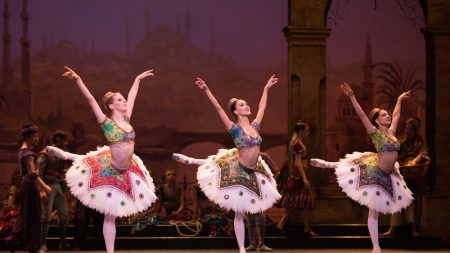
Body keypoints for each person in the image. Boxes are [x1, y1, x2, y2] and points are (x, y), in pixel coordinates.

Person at [46, 66, 157, 253]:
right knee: (108, 214)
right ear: (112, 105)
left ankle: (67, 155)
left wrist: (137, 79)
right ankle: (110, 251)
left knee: (111, 216)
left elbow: (133, 96)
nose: (125, 102)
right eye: (120, 100)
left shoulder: (127, 120)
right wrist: (78, 79)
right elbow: (90, 99)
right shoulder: (107, 123)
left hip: (128, 170)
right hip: (111, 169)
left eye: (124, 99)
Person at [172, 75, 281, 253]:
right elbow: (218, 108)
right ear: (236, 111)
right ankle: (241, 248)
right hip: (239, 170)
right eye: (242, 105)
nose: (246, 106)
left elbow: (262, 106)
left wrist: (266, 88)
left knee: (257, 211)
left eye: (246, 103)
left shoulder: (255, 126)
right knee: (239, 212)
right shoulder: (234, 128)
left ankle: (257, 242)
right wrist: (206, 90)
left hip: (255, 171)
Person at [310, 82, 414, 253]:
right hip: (378, 172)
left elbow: (396, 115)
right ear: (377, 120)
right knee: (372, 210)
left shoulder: (392, 133)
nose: (388, 117)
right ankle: (376, 246)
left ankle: (327, 164)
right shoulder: (375, 133)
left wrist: (399, 99)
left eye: (387, 114)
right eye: (384, 115)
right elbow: (361, 115)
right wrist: (351, 96)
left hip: (390, 174)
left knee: (375, 207)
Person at [6, 124, 52, 253]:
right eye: (34, 136)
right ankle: (34, 246)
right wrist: (45, 187)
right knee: (34, 216)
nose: (37, 138)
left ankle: (13, 240)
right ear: (26, 137)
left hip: (26, 185)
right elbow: (32, 173)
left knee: (25, 215)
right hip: (30, 186)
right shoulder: (28, 153)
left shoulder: (22, 151)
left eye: (37, 136)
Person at [383, 117, 428, 236]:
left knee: (413, 201)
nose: (408, 132)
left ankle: (413, 229)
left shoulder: (420, 142)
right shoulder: (403, 142)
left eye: (411, 129)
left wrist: (415, 161)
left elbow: (423, 153)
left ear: (415, 130)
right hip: (404, 175)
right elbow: (395, 152)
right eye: (407, 129)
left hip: (416, 175)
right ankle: (392, 229)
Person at [276, 120, 317, 236]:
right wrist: (304, 179)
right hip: (299, 175)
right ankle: (304, 228)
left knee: (300, 201)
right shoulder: (297, 144)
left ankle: (302, 228)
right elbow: (298, 163)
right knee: (300, 200)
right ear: (301, 131)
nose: (308, 132)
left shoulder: (296, 143)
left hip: (300, 174)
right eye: (306, 130)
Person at [38, 130, 71, 251]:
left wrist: (66, 173)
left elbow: (60, 170)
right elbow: (39, 172)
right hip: (48, 185)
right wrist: (41, 190)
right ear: (57, 139)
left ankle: (63, 242)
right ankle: (42, 244)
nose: (65, 142)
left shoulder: (61, 154)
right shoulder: (46, 153)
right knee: (45, 216)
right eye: (63, 140)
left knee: (64, 216)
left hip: (58, 185)